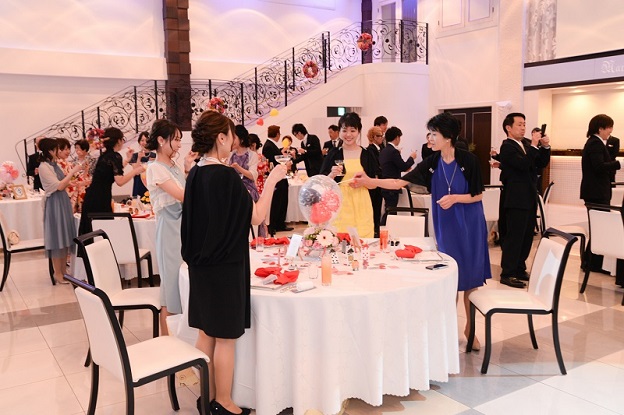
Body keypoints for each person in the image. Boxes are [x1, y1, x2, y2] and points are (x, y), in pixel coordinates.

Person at [352, 112, 491, 349]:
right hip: (446, 226)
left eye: (434, 134)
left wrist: (455, 198)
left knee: (470, 279)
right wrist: (370, 181)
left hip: (470, 225)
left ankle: (471, 327)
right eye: (430, 134)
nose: (430, 138)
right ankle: (448, 328)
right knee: (449, 277)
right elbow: (398, 182)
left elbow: (478, 195)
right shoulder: (432, 162)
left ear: (448, 137)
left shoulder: (469, 160)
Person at [181, 110, 287, 415]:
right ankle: (224, 403)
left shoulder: (196, 172)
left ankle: (207, 397)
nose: (234, 142)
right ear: (221, 138)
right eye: (231, 136)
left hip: (201, 265)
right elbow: (257, 216)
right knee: (226, 338)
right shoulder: (225, 176)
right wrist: (273, 180)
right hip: (225, 266)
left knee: (206, 333)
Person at [144, 119, 196, 335]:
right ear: (160, 140)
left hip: (181, 228)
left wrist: (187, 168)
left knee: (181, 282)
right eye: (175, 140)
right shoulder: (155, 168)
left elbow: (183, 190)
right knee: (171, 285)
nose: (178, 145)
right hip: (169, 230)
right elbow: (183, 195)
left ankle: (178, 338)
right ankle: (167, 341)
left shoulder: (173, 166)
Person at [498, 113, 550, 289]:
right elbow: (522, 165)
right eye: (519, 124)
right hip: (515, 197)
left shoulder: (526, 144)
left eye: (524, 124)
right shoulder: (507, 147)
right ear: (508, 128)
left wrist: (545, 147)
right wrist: (534, 146)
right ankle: (508, 272)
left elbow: (540, 163)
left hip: (529, 195)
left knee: (527, 235)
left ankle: (520, 268)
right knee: (514, 236)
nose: (523, 128)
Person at [79, 127, 145, 235]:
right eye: (122, 139)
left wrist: (127, 160)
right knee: (102, 230)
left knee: (92, 231)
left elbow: (112, 172)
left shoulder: (106, 155)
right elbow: (120, 181)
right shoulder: (115, 156)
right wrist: (135, 171)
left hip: (93, 196)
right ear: (118, 141)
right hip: (100, 199)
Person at [320, 112, 377, 238]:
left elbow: (374, 185)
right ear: (339, 132)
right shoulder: (334, 153)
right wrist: (332, 174)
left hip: (361, 203)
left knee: (363, 239)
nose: (348, 135)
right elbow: (323, 183)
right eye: (344, 130)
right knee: (340, 238)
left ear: (359, 131)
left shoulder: (367, 154)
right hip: (339, 203)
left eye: (353, 130)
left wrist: (365, 182)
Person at [581, 114, 622, 278]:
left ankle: (591, 263)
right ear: (600, 128)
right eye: (609, 127)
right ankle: (590, 263)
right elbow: (598, 167)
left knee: (599, 228)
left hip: (596, 191)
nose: (610, 131)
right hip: (596, 192)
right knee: (599, 228)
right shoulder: (595, 143)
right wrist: (618, 164)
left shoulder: (595, 142)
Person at [37, 138, 84, 284]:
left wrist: (73, 181)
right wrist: (73, 172)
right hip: (55, 204)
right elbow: (58, 186)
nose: (60, 151)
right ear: (51, 151)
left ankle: (64, 272)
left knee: (64, 237)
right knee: (57, 238)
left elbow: (63, 183)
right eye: (57, 148)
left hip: (62, 201)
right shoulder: (44, 167)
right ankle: (58, 273)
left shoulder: (54, 164)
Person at [228, 125, 267, 237]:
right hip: (234, 189)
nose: (231, 140)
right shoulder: (231, 154)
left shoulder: (252, 155)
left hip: (248, 189)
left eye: (234, 137)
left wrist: (238, 168)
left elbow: (253, 176)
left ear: (241, 139)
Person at [379, 126, 417, 217]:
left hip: (384, 184)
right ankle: (385, 225)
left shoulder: (383, 151)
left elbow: (391, 166)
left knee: (389, 210)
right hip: (392, 185)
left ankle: (384, 224)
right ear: (397, 137)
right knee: (391, 212)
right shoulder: (393, 151)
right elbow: (403, 166)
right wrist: (412, 158)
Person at [262, 125, 292, 235]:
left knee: (281, 201)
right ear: (277, 134)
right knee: (277, 202)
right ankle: (275, 225)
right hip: (277, 178)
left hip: (280, 177)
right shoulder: (269, 146)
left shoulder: (270, 145)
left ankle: (279, 223)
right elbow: (273, 162)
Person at [68, 139, 96, 213]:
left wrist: (86, 179)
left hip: (87, 184)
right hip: (76, 184)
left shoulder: (92, 160)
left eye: (78, 148)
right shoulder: (74, 160)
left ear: (84, 149)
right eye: (76, 148)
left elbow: (94, 174)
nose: (76, 150)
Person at [366, 126, 385, 237]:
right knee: (374, 206)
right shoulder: (370, 150)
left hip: (379, 181)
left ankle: (377, 228)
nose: (381, 138)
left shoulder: (380, 148)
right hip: (374, 182)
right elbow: (375, 166)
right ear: (372, 137)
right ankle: (374, 229)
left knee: (378, 206)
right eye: (378, 136)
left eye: (382, 135)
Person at [129, 131, 156, 197]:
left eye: (147, 140)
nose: (144, 142)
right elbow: (136, 171)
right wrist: (139, 158)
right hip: (138, 183)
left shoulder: (155, 156)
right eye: (142, 140)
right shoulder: (135, 156)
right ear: (139, 142)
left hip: (151, 184)